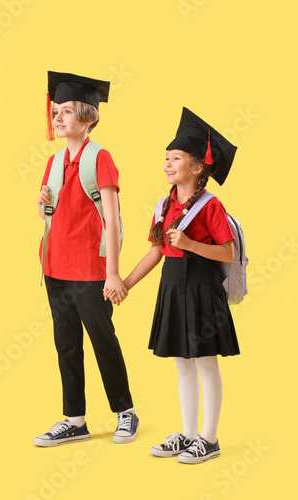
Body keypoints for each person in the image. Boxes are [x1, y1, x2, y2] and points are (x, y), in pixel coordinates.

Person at [108, 107, 240, 463]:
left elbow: (227, 253)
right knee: (182, 363)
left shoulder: (211, 206)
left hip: (202, 289)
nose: (168, 163)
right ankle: (188, 433)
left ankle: (209, 439)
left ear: (197, 168)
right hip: (172, 288)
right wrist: (125, 284)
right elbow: (155, 253)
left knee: (205, 364)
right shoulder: (163, 205)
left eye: (176, 158)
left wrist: (189, 244)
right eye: (166, 158)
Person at [34, 71, 139, 447]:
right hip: (55, 267)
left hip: (91, 271)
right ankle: (74, 419)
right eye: (55, 112)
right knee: (66, 344)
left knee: (102, 340)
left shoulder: (100, 159)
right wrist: (44, 206)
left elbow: (111, 219)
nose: (57, 118)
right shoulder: (54, 162)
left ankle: (125, 412)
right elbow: (56, 215)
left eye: (66, 111)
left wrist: (113, 273)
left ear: (88, 116)